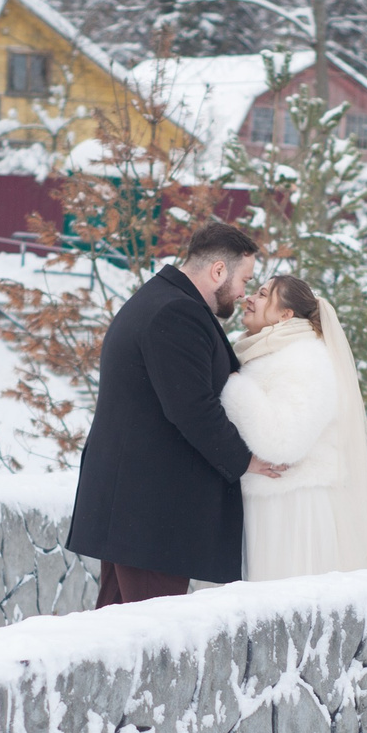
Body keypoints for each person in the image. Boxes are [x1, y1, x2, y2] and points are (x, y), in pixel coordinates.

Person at [68, 222, 286, 603]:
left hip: (134, 514)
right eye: (244, 279)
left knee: (114, 634)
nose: (243, 293)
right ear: (218, 270)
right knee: (150, 641)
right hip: (151, 516)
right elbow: (192, 408)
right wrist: (245, 459)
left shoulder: (159, 299)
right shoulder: (177, 313)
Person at [219, 274, 367, 579]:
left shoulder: (304, 359)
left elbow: (283, 442)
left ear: (286, 314)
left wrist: (235, 388)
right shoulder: (268, 353)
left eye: (262, 294)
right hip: (270, 505)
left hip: (292, 512)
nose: (249, 299)